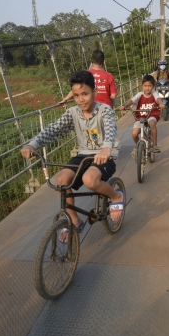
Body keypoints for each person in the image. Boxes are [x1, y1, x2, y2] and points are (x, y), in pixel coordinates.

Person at [21, 70, 125, 239]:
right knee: (61, 180)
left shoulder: (105, 111)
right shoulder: (73, 113)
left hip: (106, 155)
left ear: (95, 92)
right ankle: (74, 220)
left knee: (89, 180)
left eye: (85, 94)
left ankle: (116, 195)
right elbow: (53, 130)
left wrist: (106, 148)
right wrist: (33, 144)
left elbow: (110, 129)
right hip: (84, 154)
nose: (80, 99)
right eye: (76, 96)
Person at [118, 75, 166, 156]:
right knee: (134, 134)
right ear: (142, 86)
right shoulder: (139, 95)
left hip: (152, 115)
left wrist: (161, 104)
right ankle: (139, 147)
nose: (147, 88)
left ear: (153, 86)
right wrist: (125, 105)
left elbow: (158, 99)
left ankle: (155, 145)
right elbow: (132, 100)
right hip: (140, 117)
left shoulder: (154, 94)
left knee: (152, 123)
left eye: (150, 86)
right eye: (145, 86)